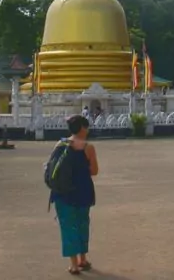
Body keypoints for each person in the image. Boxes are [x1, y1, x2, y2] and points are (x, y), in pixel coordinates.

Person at [51, 115, 99, 275]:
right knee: (82, 225)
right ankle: (82, 259)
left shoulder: (60, 143)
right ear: (83, 128)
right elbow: (94, 171)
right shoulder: (88, 147)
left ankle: (73, 264)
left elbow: (52, 168)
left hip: (62, 193)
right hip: (83, 192)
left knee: (68, 228)